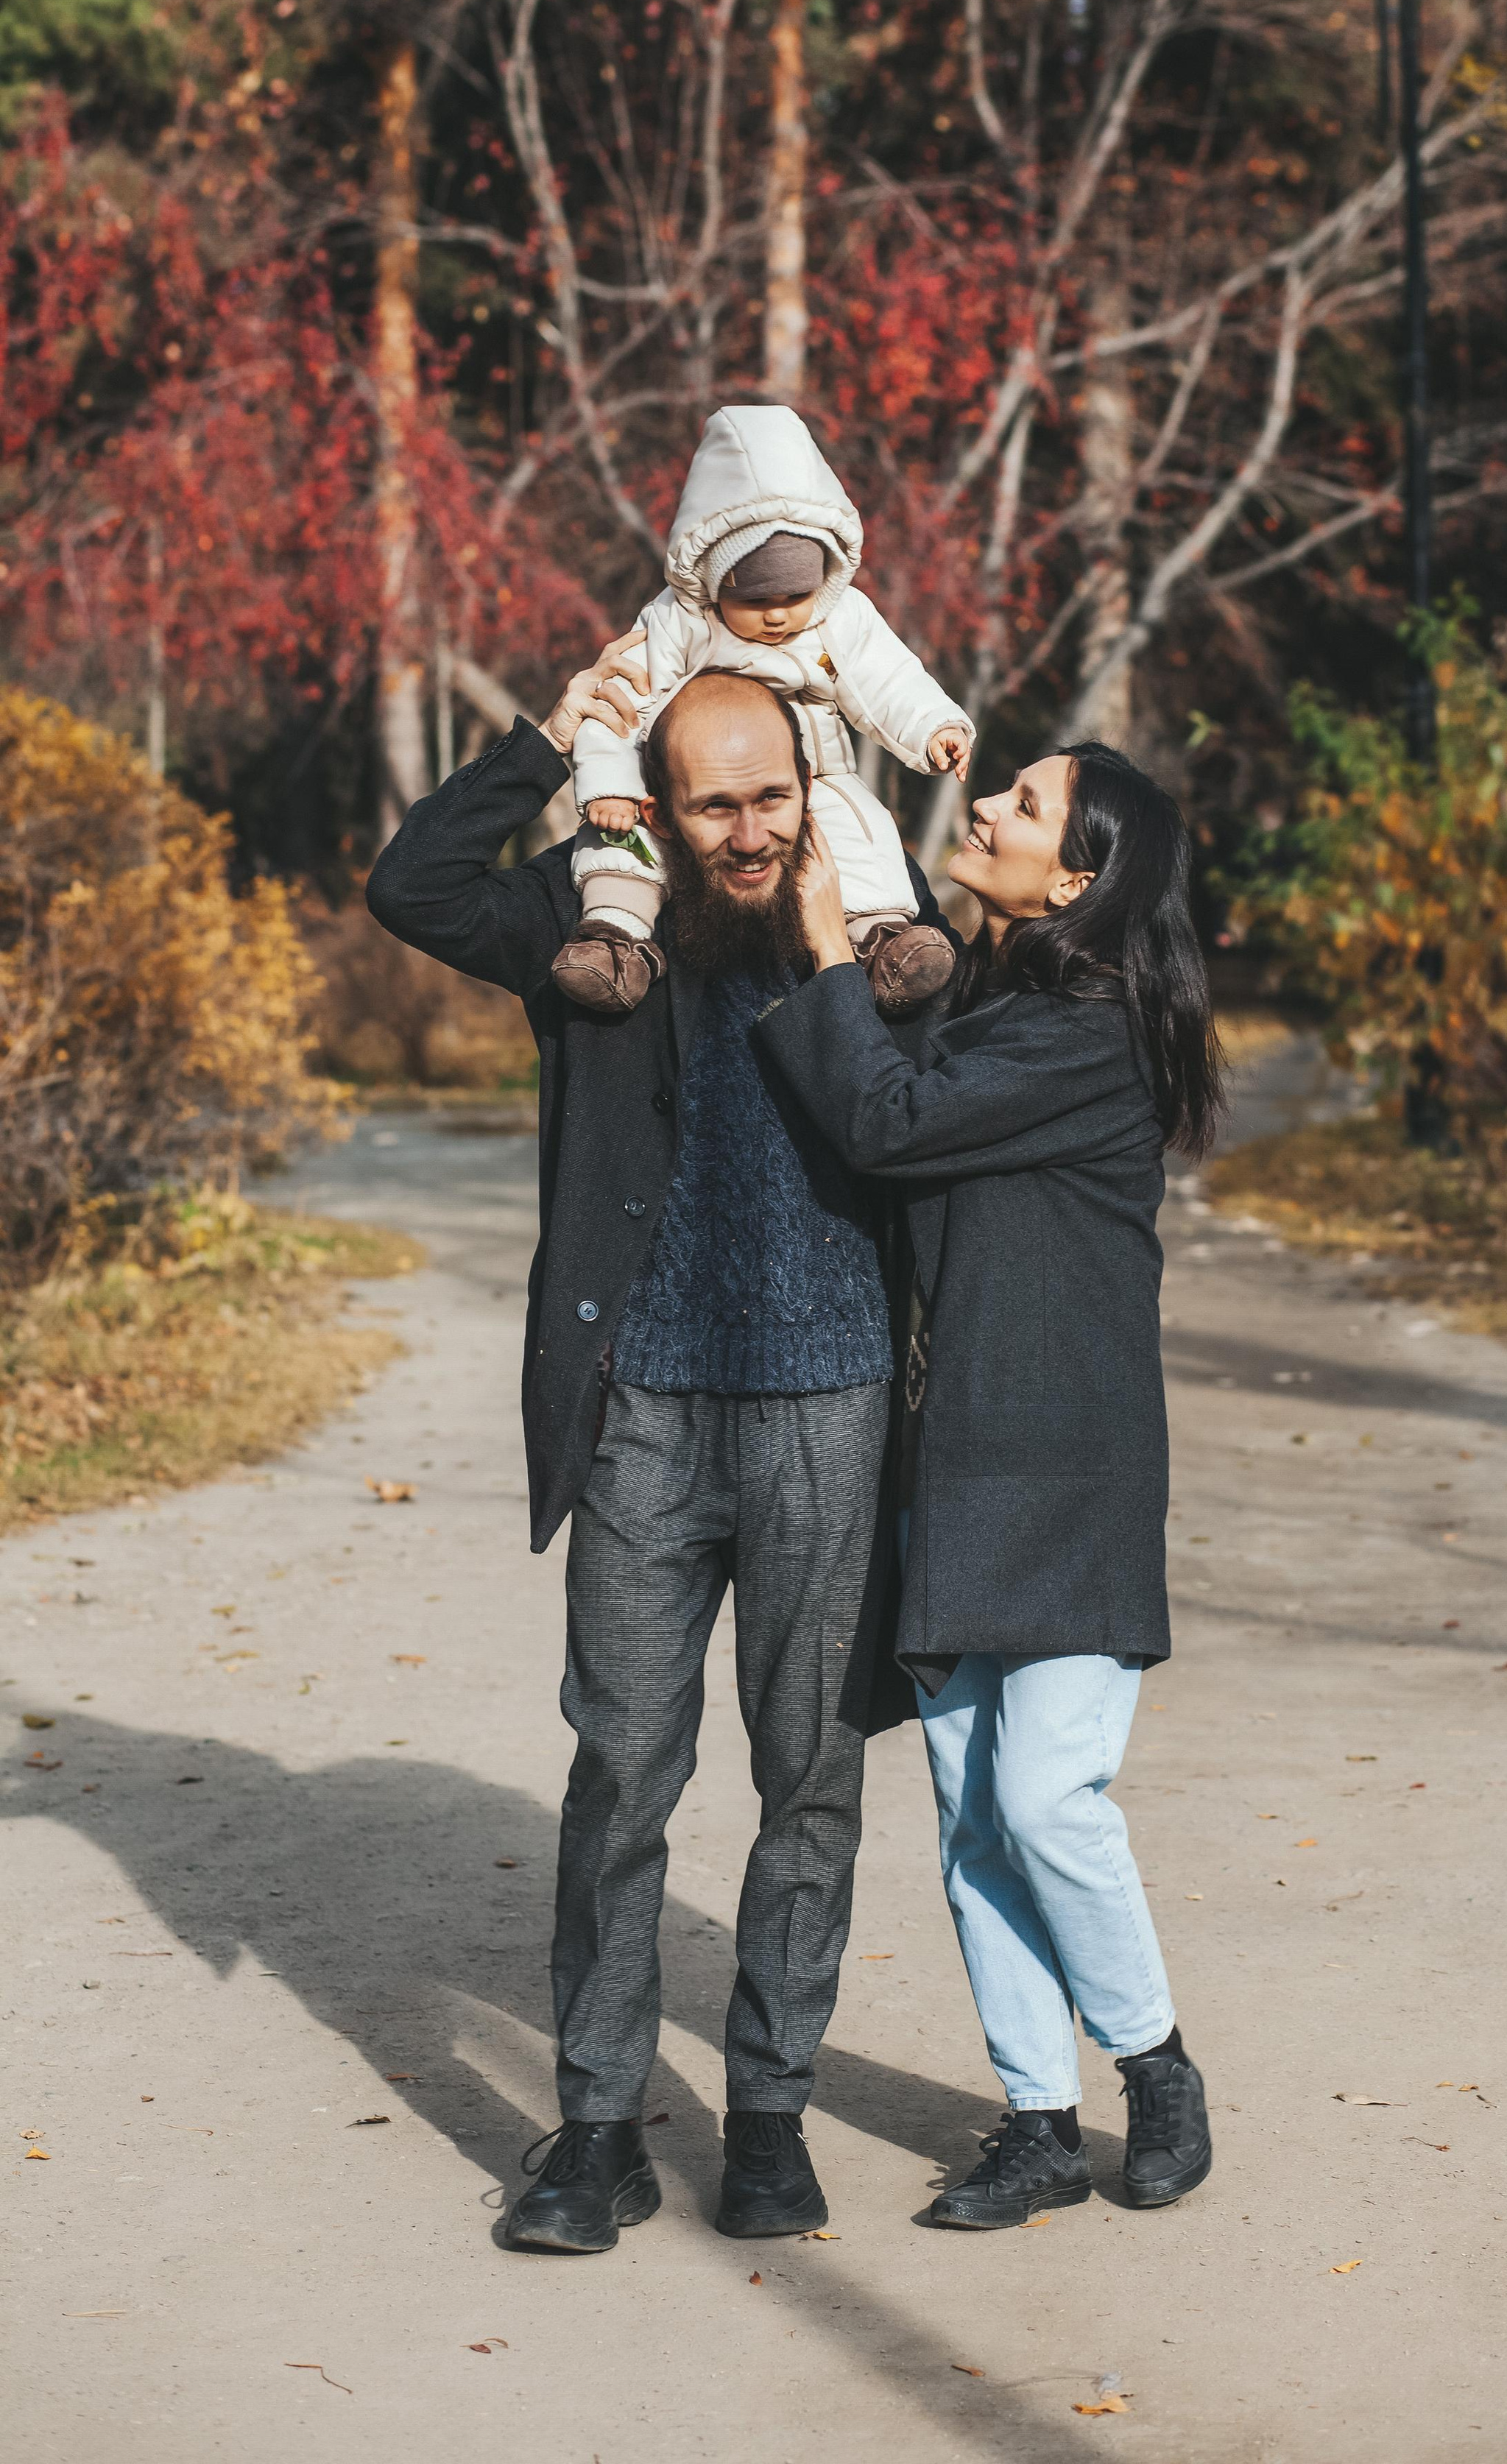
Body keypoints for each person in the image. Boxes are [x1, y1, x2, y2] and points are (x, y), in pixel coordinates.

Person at [366, 660, 936, 2254]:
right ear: (658, 809)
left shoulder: (867, 918)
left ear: (807, 783)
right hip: (642, 1412)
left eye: (772, 796)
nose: (749, 833)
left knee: (806, 1778)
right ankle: (597, 2129)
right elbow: (408, 883)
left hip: (827, 1400)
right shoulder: (587, 914)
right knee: (620, 1768)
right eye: (714, 804)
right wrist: (555, 739)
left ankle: (768, 2117)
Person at [757, 742, 1225, 2230]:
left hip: (1071, 1460)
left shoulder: (1090, 1031)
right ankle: (1034, 2118)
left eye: (1022, 806)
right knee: (970, 1808)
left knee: (1045, 1792)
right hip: (951, 1451)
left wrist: (825, 945)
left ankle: (1151, 2063)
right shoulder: (997, 995)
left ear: (1076, 878)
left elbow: (884, 1119)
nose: (989, 811)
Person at [555, 403, 970, 1017]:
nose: (778, 616)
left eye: (795, 596)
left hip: (814, 773)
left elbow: (890, 679)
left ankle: (881, 939)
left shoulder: (841, 618)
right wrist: (608, 785)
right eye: (755, 599)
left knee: (860, 831)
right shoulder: (675, 622)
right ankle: (615, 938)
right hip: (682, 781)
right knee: (624, 835)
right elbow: (620, 702)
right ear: (715, 582)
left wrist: (935, 726)